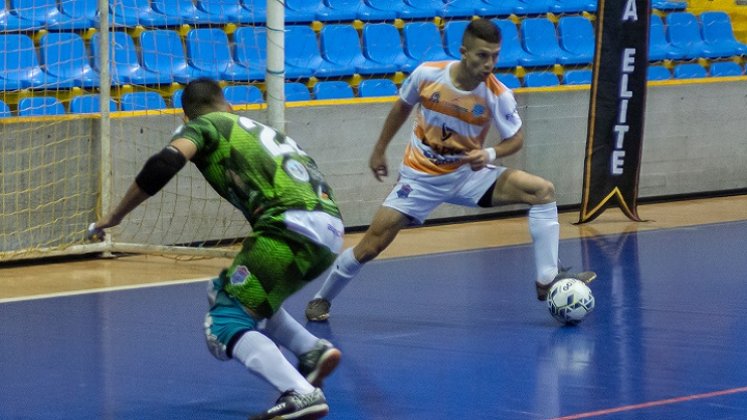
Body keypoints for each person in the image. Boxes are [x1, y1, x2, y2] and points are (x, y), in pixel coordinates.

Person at [305, 18, 595, 322]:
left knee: (542, 191)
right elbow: (401, 108)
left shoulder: (497, 95)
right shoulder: (428, 75)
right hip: (420, 179)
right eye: (483, 55)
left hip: (468, 176)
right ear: (464, 52)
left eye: (495, 56)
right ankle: (321, 298)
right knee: (371, 245)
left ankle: (546, 279)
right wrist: (379, 149)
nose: (490, 63)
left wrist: (490, 153)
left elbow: (516, 139)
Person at [88, 78, 344, 420]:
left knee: (224, 321)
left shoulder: (206, 125)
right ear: (227, 102)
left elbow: (165, 163)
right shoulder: (256, 128)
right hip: (328, 228)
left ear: (189, 114)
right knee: (223, 291)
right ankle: (310, 350)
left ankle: (300, 393)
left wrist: (115, 216)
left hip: (288, 229)